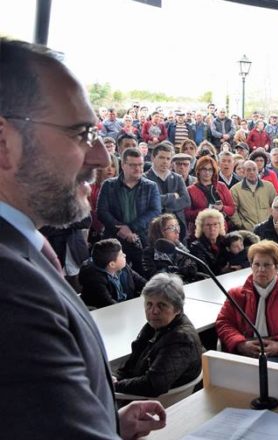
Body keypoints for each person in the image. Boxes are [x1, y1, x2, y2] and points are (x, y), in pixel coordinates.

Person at [0, 37, 166, 439]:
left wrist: (107, 420)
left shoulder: (24, 248)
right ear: (5, 144)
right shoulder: (9, 286)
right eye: (80, 134)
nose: (101, 158)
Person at [216, 241, 278, 366]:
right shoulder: (235, 294)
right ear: (251, 265)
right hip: (245, 353)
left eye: (267, 265)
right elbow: (224, 323)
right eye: (256, 264)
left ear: (277, 266)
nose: (261, 269)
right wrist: (240, 344)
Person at [114, 273, 203, 397]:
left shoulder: (181, 339)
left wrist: (114, 386)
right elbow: (130, 366)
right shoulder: (154, 326)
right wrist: (114, 378)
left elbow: (153, 384)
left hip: (157, 404)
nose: (154, 311)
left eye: (162, 305)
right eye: (149, 304)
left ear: (177, 309)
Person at [97, 147, 162, 271]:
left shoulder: (151, 186)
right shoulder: (109, 185)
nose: (138, 168)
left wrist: (131, 228)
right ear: (123, 165)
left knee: (143, 277)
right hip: (113, 241)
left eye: (140, 164)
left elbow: (155, 211)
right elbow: (102, 212)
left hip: (141, 240)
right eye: (132, 165)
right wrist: (122, 230)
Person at [78, 238, 147, 309]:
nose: (125, 255)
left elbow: (142, 282)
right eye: (121, 254)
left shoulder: (123, 268)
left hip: (125, 307)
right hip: (105, 312)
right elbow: (109, 304)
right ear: (112, 264)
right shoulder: (95, 280)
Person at [145, 142, 191, 240]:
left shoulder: (178, 178)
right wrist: (172, 197)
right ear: (153, 158)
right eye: (161, 157)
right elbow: (148, 201)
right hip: (154, 229)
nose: (165, 161)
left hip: (178, 230)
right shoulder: (144, 178)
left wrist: (163, 206)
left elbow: (186, 201)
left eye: (168, 158)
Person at [185, 155, 235, 238]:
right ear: (198, 171)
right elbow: (187, 214)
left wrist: (222, 208)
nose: (207, 172)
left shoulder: (221, 186)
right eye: (204, 169)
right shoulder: (190, 190)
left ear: (214, 171)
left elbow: (232, 209)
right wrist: (205, 211)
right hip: (200, 232)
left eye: (210, 169)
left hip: (221, 230)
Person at [188, 208, 231, 275]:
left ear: (220, 226)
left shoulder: (226, 241)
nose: (212, 228)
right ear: (202, 228)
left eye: (215, 224)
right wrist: (222, 271)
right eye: (208, 225)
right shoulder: (196, 247)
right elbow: (206, 272)